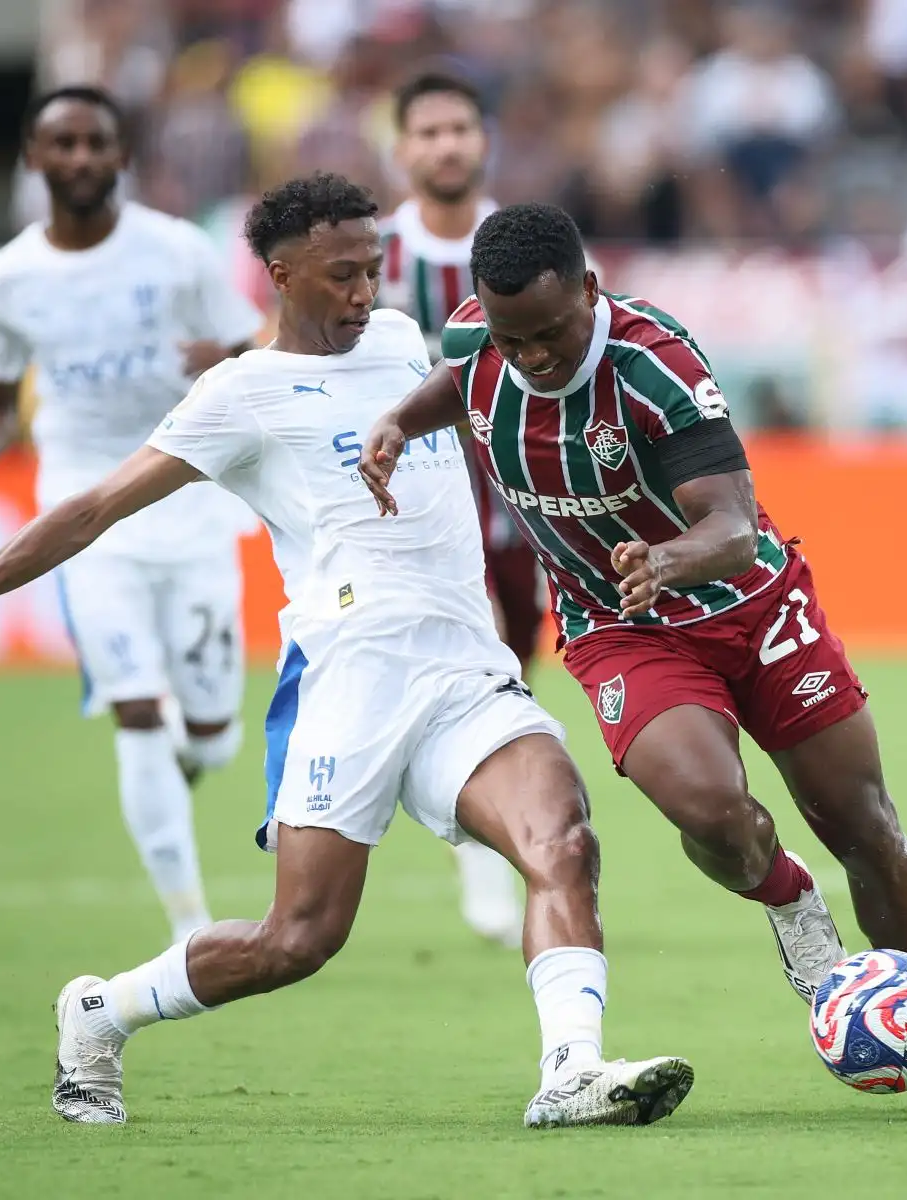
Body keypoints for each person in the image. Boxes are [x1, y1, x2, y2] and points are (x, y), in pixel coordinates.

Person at [0, 173, 695, 1131]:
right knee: (299, 938)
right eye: (341, 276)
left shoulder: (406, 344)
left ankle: (572, 1071)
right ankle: (102, 1011)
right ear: (281, 277)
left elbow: (531, 391)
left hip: (464, 671)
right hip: (350, 684)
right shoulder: (241, 394)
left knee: (563, 842)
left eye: (372, 270)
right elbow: (89, 510)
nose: (364, 293)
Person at [361, 203, 907, 1117]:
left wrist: (664, 561)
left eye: (550, 333)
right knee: (711, 812)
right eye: (512, 338)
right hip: (623, 625)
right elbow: (463, 382)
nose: (533, 357)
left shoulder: (655, 368)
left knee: (863, 825)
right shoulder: (479, 340)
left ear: (589, 289)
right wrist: (397, 422)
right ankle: (791, 900)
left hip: (752, 608)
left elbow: (731, 525)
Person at [0, 86, 262, 945]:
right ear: (34, 157)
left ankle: (188, 754)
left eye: (96, 143)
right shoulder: (5, 279)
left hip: (188, 493)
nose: (81, 158)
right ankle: (190, 927)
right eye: (64, 143)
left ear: (123, 156)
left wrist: (227, 356)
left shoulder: (179, 250)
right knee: (136, 708)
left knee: (212, 735)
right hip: (84, 509)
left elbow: (259, 352)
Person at [377, 70, 543, 948]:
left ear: (484, 141)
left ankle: (477, 804)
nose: (445, 145)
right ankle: (483, 844)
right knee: (471, 644)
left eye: (459, 129)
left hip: (519, 481)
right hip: (412, 486)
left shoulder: (531, 243)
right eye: (428, 131)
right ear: (401, 147)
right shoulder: (373, 255)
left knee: (515, 646)